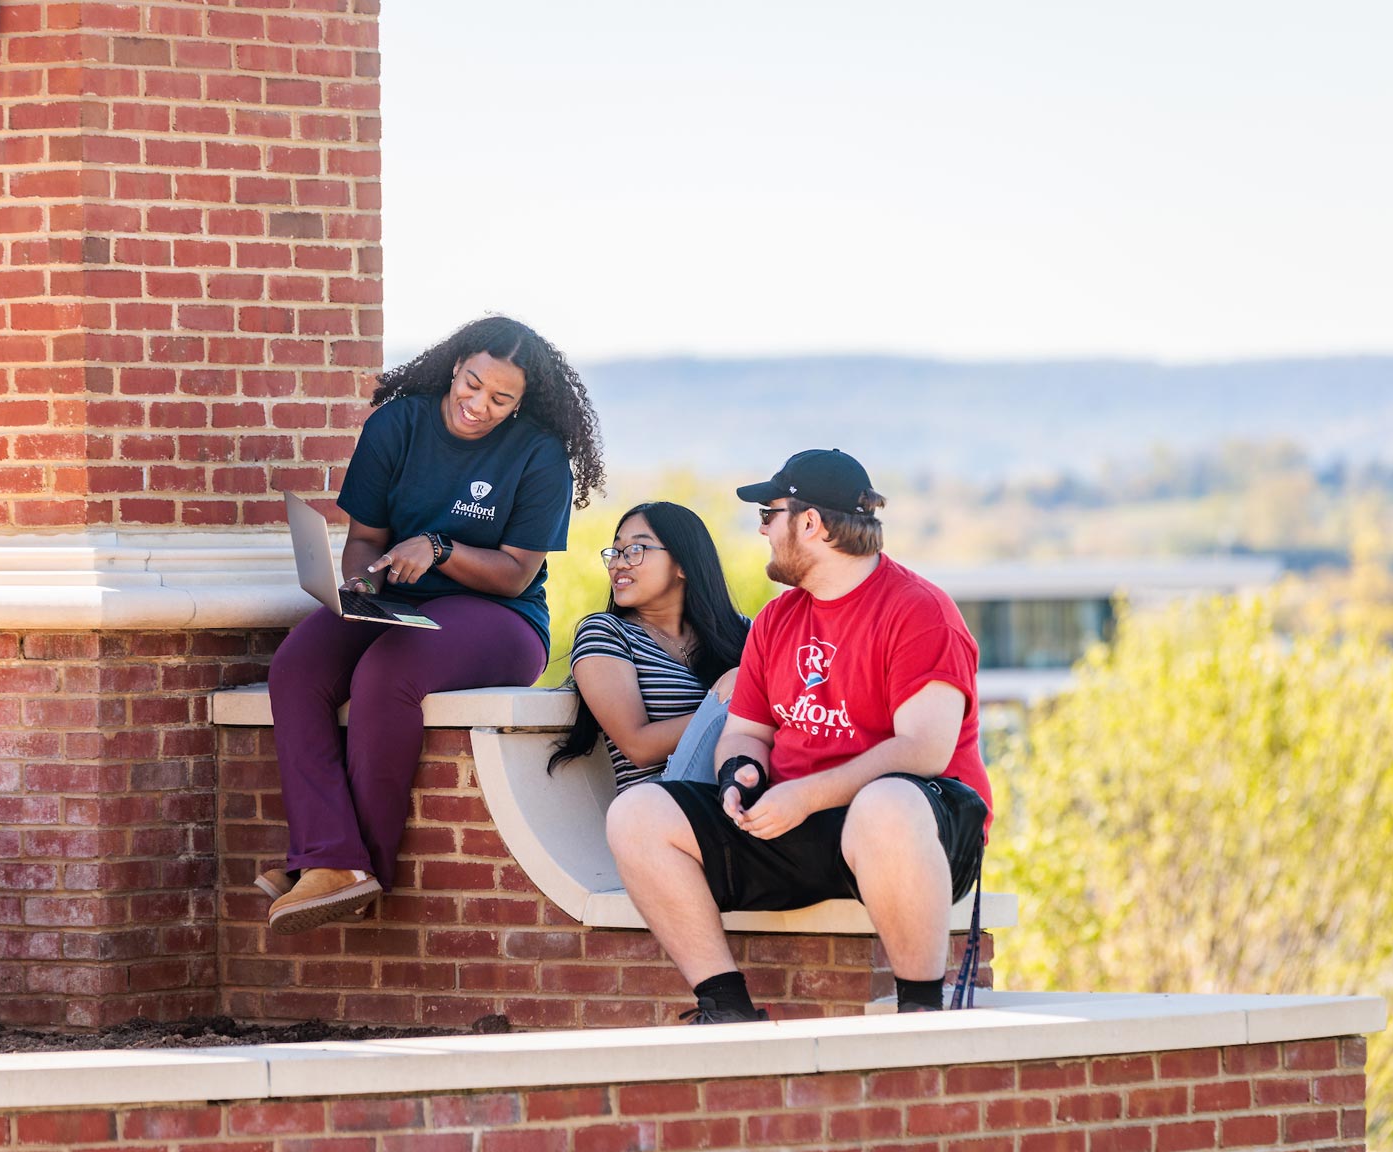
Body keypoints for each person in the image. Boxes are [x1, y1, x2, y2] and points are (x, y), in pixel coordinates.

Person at [605, 449, 991, 1022]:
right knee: (637, 814)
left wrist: (805, 795)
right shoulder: (776, 619)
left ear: (809, 522)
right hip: (795, 820)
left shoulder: (919, 610)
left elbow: (923, 750)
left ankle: (920, 1015)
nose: (761, 528)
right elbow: (746, 733)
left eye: (769, 513)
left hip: (914, 829)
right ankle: (726, 1008)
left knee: (885, 801)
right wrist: (743, 774)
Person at [261, 315, 605, 935]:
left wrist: (441, 547)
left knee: (388, 673)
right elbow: (365, 540)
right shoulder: (398, 424)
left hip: (500, 620)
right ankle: (331, 855)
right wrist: (361, 591)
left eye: (501, 399)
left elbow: (516, 575)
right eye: (472, 384)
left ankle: (359, 867)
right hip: (397, 603)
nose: (479, 405)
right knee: (297, 666)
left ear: (524, 402)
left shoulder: (539, 455)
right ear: (455, 365)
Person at [549, 502, 751, 792]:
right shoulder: (606, 633)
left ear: (683, 564)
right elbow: (637, 746)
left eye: (636, 550)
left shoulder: (740, 631)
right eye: (616, 552)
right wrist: (733, 705)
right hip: (659, 801)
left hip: (738, 784)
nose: (618, 563)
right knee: (738, 681)